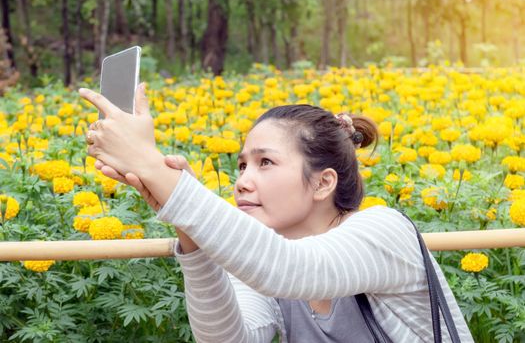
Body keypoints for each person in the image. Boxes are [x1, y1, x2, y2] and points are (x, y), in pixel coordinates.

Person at [80, 84, 474, 342]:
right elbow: (227, 339)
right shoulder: (268, 253)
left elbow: (293, 270)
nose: (243, 182)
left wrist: (152, 167)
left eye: (265, 163)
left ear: (323, 183)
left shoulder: (383, 231)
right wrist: (188, 228)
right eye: (241, 166)